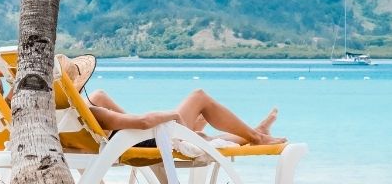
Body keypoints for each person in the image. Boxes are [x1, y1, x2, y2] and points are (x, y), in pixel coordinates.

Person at [59, 55, 286, 147]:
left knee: (204, 137)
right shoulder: (94, 112)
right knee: (199, 96)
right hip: (147, 141)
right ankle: (256, 136)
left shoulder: (65, 115)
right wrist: (172, 116)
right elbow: (143, 124)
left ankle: (255, 133)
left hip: (128, 140)